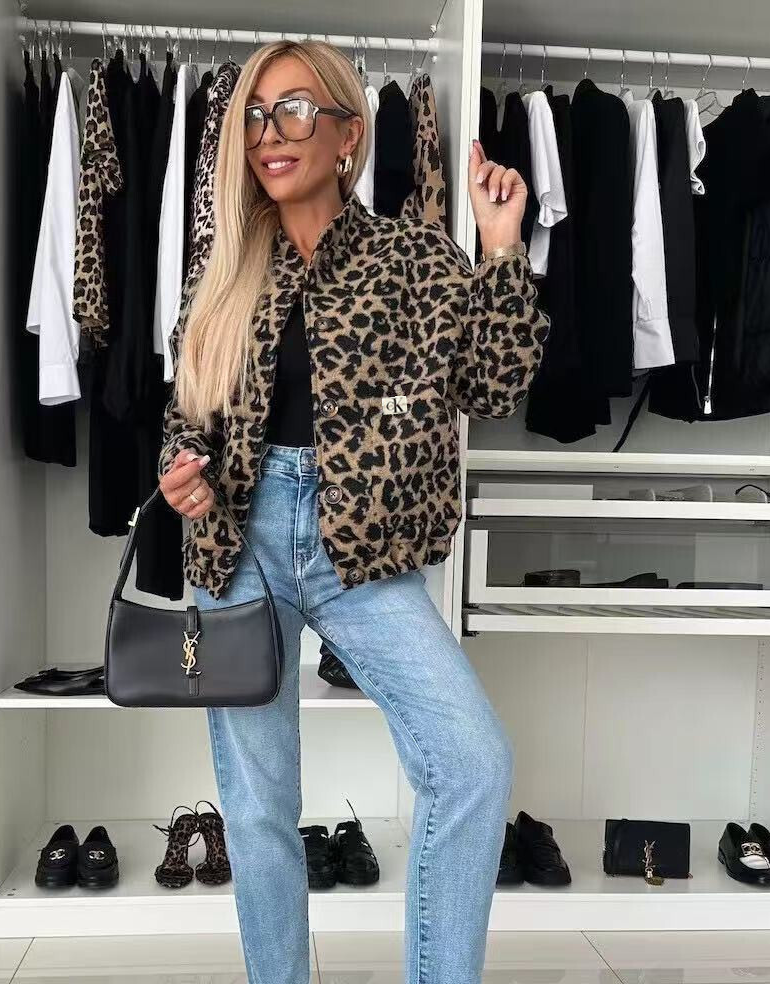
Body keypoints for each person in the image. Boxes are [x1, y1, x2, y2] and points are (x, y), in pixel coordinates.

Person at [159, 39, 547, 984]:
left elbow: (495, 383)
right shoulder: (226, 265)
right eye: (257, 115)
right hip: (238, 548)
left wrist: (502, 248)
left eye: (294, 110)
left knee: (472, 764)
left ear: (348, 134)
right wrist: (181, 471)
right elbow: (188, 412)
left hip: (361, 554)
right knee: (258, 810)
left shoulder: (411, 256)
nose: (270, 133)